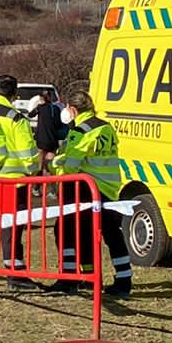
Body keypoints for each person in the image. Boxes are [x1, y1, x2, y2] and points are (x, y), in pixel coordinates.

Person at [49, 90, 131, 298]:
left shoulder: (81, 131)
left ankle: (68, 278)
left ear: (73, 109)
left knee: (66, 229)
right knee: (112, 235)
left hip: (88, 191)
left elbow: (71, 167)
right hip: (110, 189)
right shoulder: (106, 127)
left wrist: (54, 163)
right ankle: (123, 279)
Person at [0, 74, 43, 291]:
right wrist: (32, 172)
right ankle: (15, 274)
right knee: (12, 232)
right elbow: (28, 154)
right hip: (14, 183)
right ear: (15, 94)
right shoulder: (16, 118)